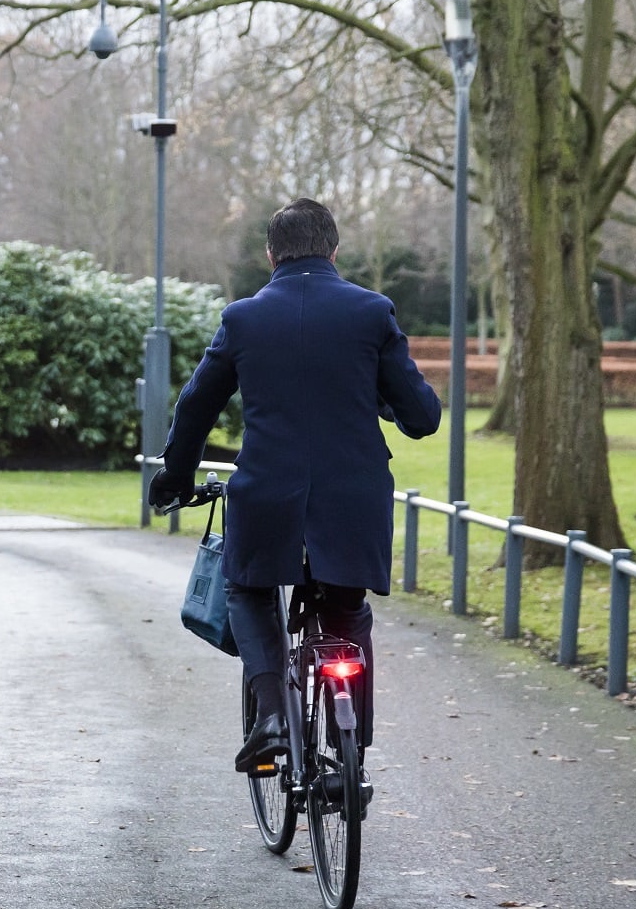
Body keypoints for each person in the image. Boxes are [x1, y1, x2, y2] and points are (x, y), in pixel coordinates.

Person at [149, 198, 442, 770]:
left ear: (270, 254)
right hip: (354, 499)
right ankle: (353, 743)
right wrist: (383, 402)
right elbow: (422, 417)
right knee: (347, 608)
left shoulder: (244, 318)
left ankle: (273, 717)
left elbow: (196, 406)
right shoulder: (372, 311)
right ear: (334, 249)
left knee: (249, 590)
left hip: (268, 495)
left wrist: (177, 476)